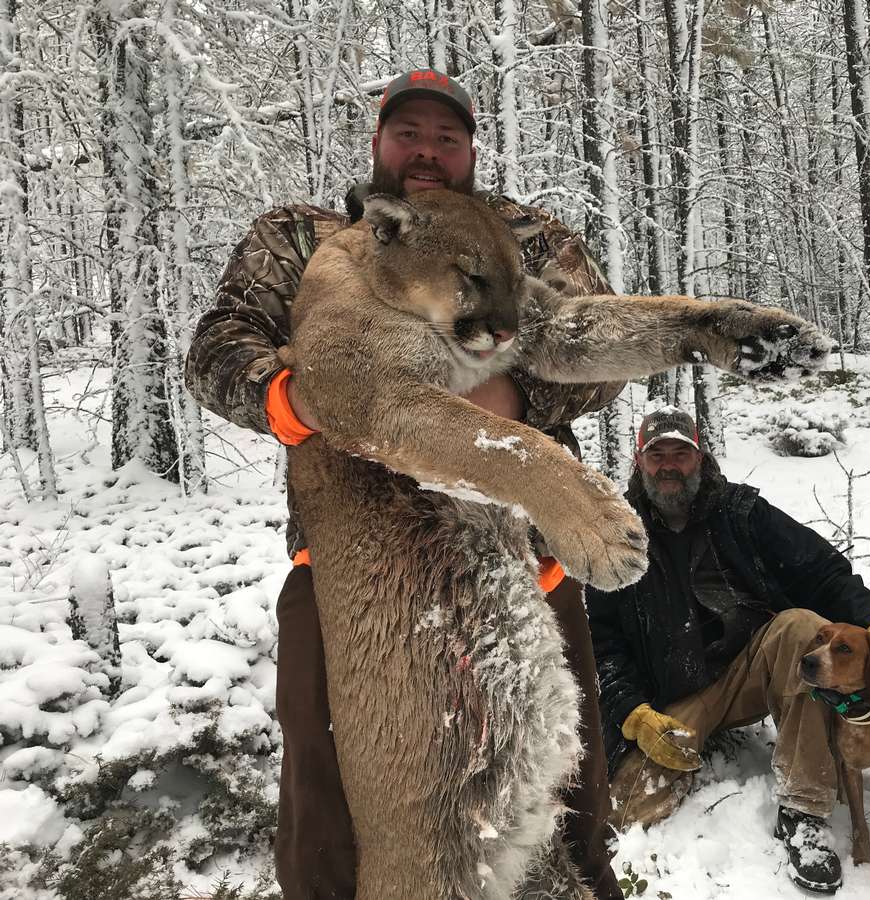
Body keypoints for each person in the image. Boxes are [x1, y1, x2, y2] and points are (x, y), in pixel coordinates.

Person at [184, 69, 624, 900]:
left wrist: (512, 395)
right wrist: (289, 400)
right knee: (328, 818)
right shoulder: (302, 238)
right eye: (409, 133)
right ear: (380, 142)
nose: (426, 151)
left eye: (446, 137)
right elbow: (216, 350)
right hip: (355, 569)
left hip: (521, 559)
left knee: (561, 809)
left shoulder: (527, 239)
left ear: (470, 150)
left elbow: (596, 359)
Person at [585, 408, 870, 895]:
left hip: (755, 668)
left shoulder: (741, 512)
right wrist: (633, 713)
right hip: (672, 700)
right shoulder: (614, 532)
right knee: (625, 808)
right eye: (656, 454)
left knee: (801, 629)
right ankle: (680, 741)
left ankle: (804, 811)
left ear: (700, 457)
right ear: (638, 461)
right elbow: (599, 639)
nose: (668, 465)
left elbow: (821, 570)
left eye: (680, 454)